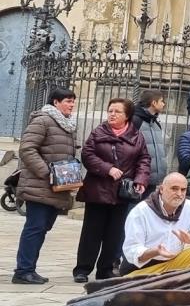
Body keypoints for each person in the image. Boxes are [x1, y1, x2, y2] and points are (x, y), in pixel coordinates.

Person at [73, 97, 150, 283]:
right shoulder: (98, 132)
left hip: (122, 192)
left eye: (117, 112)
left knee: (114, 234)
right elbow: (87, 154)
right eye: (110, 111)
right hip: (98, 190)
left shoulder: (136, 136)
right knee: (92, 232)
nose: (112, 114)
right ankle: (82, 269)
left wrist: (140, 179)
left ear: (127, 116)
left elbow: (144, 160)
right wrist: (107, 168)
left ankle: (105, 270)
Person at [12, 88, 78, 285]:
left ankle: (28, 268)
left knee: (42, 228)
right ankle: (23, 271)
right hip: (39, 185)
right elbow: (26, 148)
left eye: (73, 101)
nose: (72, 105)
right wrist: (47, 172)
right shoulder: (43, 120)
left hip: (56, 187)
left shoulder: (66, 125)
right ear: (56, 102)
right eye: (68, 101)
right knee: (35, 227)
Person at [123, 172, 190, 277]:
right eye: (174, 189)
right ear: (162, 189)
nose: (179, 194)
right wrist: (156, 251)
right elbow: (131, 250)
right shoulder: (141, 212)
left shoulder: (189, 207)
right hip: (145, 270)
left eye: (183, 190)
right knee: (132, 286)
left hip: (174, 264)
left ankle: (171, 280)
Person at [131, 89, 169, 198]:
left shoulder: (155, 122)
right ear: (153, 103)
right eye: (161, 101)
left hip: (152, 178)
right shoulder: (135, 121)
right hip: (138, 176)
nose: (163, 104)